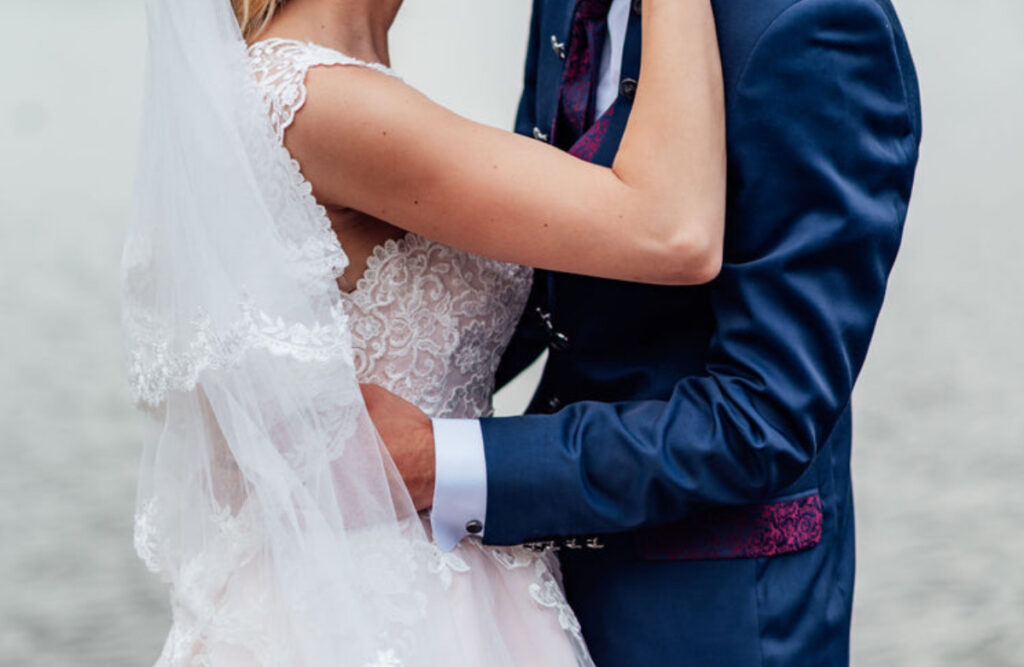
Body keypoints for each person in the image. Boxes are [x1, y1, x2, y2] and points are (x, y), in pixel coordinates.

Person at [123, 0, 724, 664]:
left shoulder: (294, 83)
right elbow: (675, 231)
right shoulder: (319, 100)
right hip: (392, 606)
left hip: (387, 568)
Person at [365, 0, 922, 665]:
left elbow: (761, 416)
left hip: (711, 613)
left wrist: (444, 461)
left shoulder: (818, 24)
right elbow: (548, 267)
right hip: (520, 592)